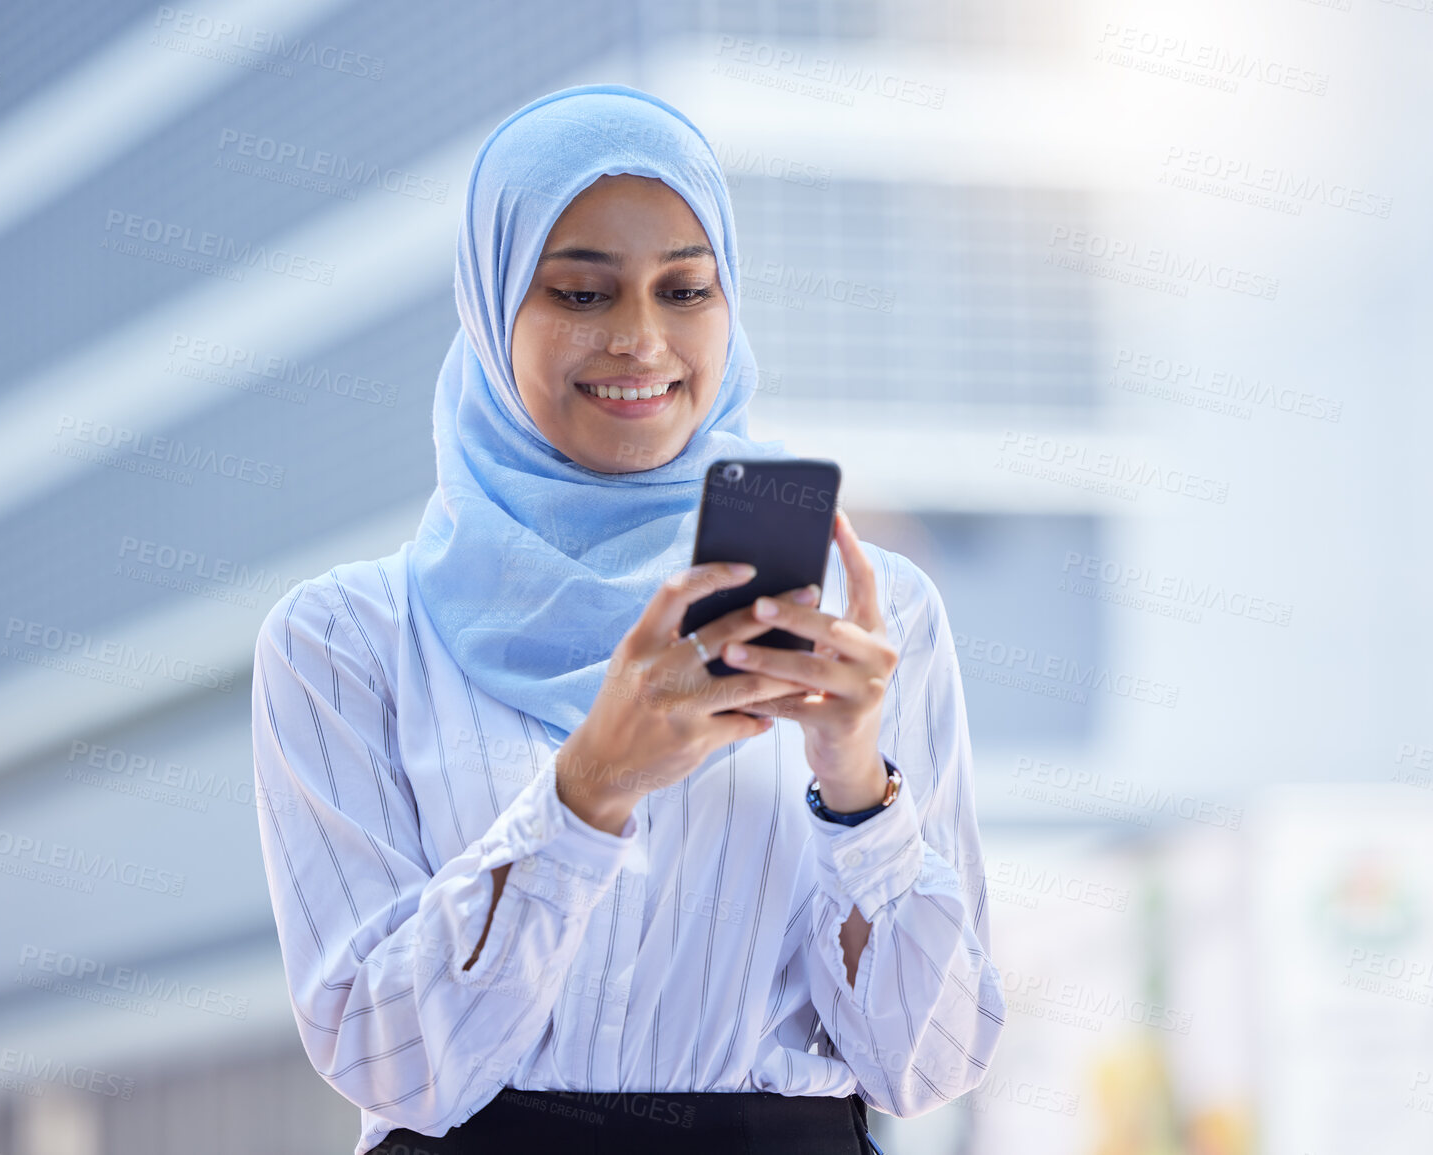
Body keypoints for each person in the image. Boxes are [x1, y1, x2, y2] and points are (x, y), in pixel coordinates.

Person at [251, 83, 1004, 1155]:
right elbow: (385, 1061)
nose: (642, 341)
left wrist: (857, 790)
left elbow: (928, 1066)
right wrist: (587, 789)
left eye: (686, 289)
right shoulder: (346, 641)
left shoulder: (871, 622)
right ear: (491, 303)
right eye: (583, 294)